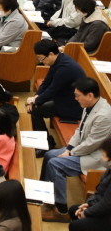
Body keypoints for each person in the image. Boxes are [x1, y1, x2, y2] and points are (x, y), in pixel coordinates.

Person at [41, 77, 111, 221]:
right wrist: (69, 148)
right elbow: (80, 130)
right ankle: (45, 195)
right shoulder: (90, 106)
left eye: (78, 95)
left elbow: (92, 144)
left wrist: (70, 152)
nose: (75, 98)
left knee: (56, 164)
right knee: (49, 155)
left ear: (90, 95)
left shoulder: (104, 115)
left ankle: (61, 210)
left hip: (96, 156)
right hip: (83, 149)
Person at [69, 138, 111, 231]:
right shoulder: (109, 170)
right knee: (73, 210)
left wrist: (87, 213)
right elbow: (99, 192)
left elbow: (106, 205)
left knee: (76, 226)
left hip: (108, 216)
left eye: (103, 155)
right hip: (103, 209)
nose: (101, 158)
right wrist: (88, 204)